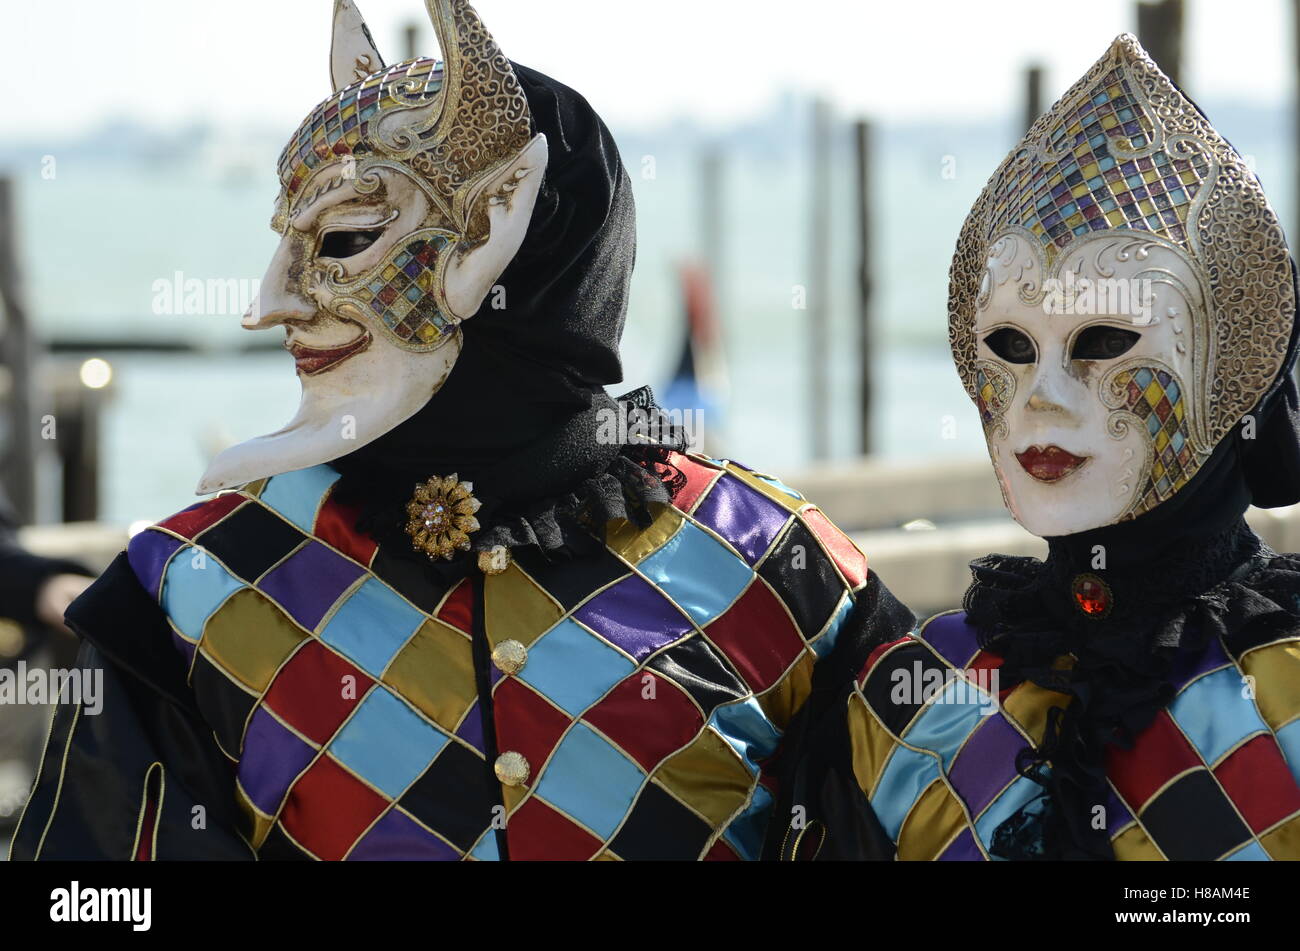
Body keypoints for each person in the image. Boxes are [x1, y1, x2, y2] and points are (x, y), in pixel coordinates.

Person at [10, 0, 909, 861]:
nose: (268, 305)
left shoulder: (775, 567)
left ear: (505, 227)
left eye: (345, 238)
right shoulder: (187, 598)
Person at [769, 34, 1300, 861]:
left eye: (1103, 339)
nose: (1043, 396)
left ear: (1229, 360)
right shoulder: (907, 703)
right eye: (1010, 346)